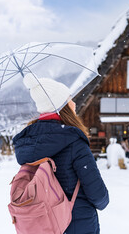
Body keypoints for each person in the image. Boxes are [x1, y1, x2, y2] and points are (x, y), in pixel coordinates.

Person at [13, 73, 109, 234]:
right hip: (77, 225)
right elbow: (99, 196)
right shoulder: (74, 141)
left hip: (43, 226)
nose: (74, 103)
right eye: (69, 99)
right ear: (61, 107)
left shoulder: (27, 143)